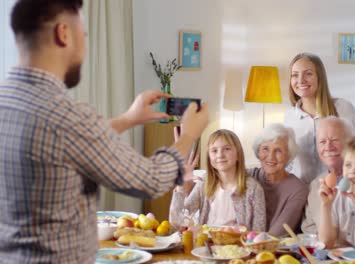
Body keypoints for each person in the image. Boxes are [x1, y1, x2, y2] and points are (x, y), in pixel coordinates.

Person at [0, 0, 209, 263]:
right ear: (63, 33)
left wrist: (127, 119)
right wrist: (188, 135)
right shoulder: (68, 118)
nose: (85, 48)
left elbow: (52, 145)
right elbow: (150, 180)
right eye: (84, 36)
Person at [284, 53, 355, 184]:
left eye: (308, 73)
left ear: (319, 77)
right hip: (303, 194)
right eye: (295, 75)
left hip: (340, 189)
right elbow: (289, 163)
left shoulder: (343, 108)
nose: (301, 80)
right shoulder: (289, 117)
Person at [170, 129, 266, 231]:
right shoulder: (204, 183)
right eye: (214, 150)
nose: (220, 155)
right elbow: (177, 222)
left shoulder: (253, 188)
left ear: (238, 154)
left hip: (237, 245)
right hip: (206, 245)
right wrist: (180, 185)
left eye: (227, 149)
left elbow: (259, 232)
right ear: (209, 157)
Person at [248, 123, 308, 236]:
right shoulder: (249, 177)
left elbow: (277, 234)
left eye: (278, 151)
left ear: (288, 155)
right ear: (258, 151)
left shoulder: (297, 189)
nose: (271, 157)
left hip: (277, 249)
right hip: (244, 247)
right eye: (265, 148)